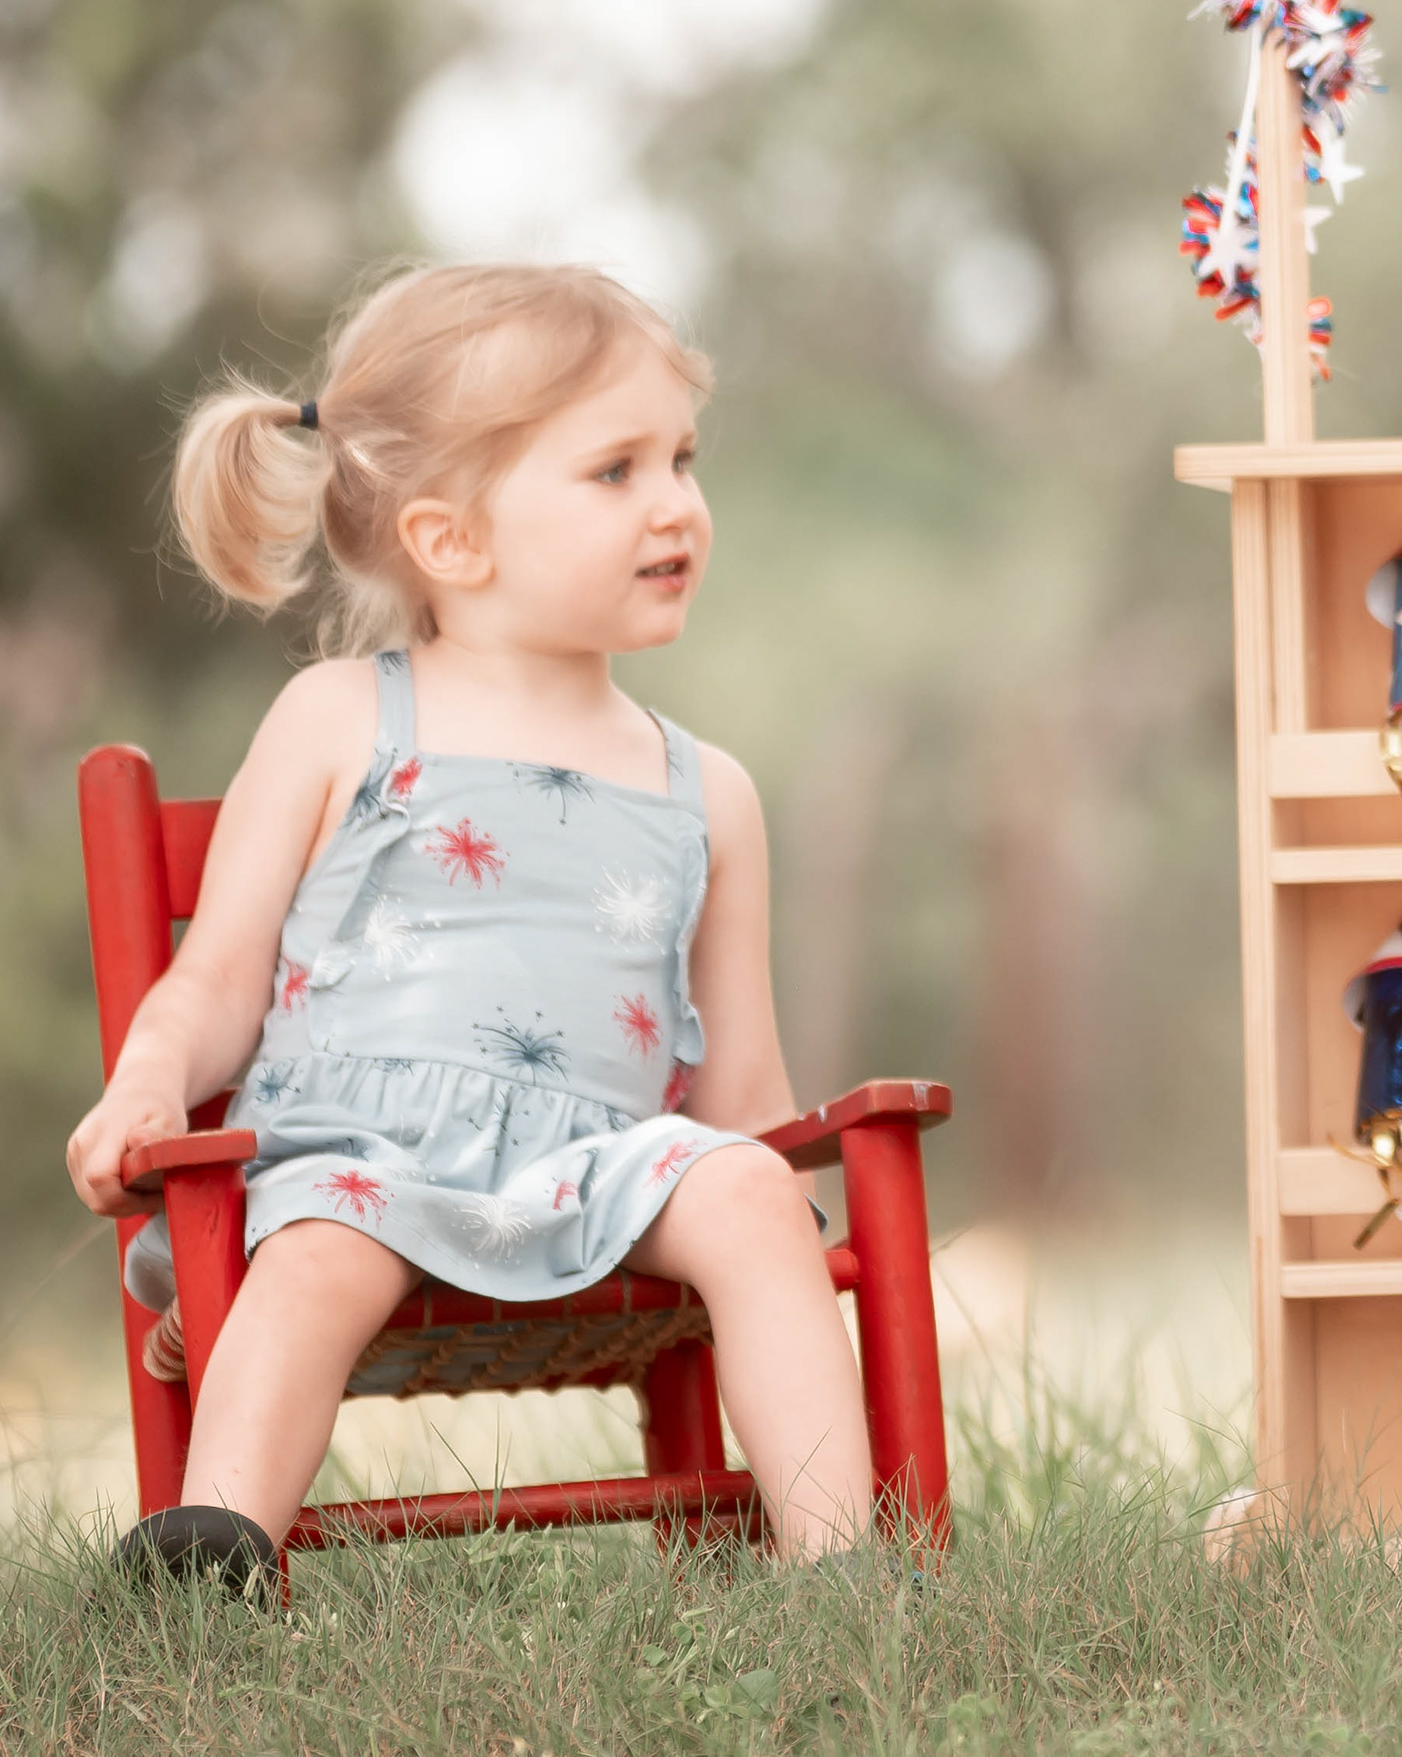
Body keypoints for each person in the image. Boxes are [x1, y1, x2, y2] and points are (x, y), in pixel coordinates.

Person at [67, 264, 871, 1588]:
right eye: (615, 470)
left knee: (740, 1189)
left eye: (682, 458)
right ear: (450, 541)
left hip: (602, 1174)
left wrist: (775, 1219)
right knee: (320, 1249)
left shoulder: (707, 793)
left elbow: (745, 1098)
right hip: (358, 1161)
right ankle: (217, 1554)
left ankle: (844, 1566)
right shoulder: (342, 718)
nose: (676, 503)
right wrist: (149, 1080)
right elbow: (218, 979)